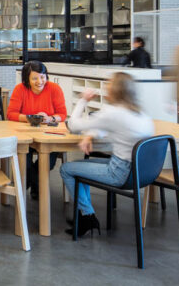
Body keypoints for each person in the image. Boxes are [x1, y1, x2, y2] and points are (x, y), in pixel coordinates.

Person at [59, 73, 154, 237]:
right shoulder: (142, 115)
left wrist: (83, 100)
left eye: (108, 85)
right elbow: (106, 128)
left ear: (116, 91)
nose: (105, 88)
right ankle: (86, 216)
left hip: (119, 173)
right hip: (143, 173)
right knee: (82, 168)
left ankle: (87, 215)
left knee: (67, 169)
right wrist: (90, 135)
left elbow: (73, 126)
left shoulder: (113, 113)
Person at [8, 60, 68, 198]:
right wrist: (31, 118)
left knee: (48, 162)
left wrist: (50, 119)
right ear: (27, 79)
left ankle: (30, 183)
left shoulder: (54, 88)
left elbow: (62, 114)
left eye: (42, 76)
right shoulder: (20, 89)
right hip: (25, 135)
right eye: (34, 78)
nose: (40, 81)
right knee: (26, 162)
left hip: (49, 134)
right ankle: (37, 187)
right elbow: (11, 114)